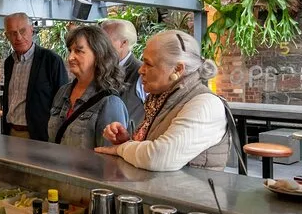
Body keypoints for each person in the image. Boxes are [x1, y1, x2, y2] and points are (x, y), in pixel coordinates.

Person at [95, 30, 232, 172]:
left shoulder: (205, 104)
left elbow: (157, 158)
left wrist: (121, 148)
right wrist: (127, 141)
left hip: (193, 187)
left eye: (148, 64)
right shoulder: (161, 99)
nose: (141, 70)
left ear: (177, 69)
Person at [48, 25, 129, 149]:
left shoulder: (109, 101)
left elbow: (110, 153)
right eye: (70, 51)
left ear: (98, 54)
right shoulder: (63, 92)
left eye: (78, 51)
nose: (70, 57)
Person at [2, 13, 68, 140]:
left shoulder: (51, 60)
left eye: (22, 31)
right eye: (13, 33)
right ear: (7, 36)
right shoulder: (9, 63)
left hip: (40, 136)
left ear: (31, 30)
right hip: (11, 132)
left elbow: (63, 102)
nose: (19, 37)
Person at [101, 19, 146, 126]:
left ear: (123, 43)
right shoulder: (99, 68)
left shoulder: (141, 73)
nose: (98, 46)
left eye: (105, 42)